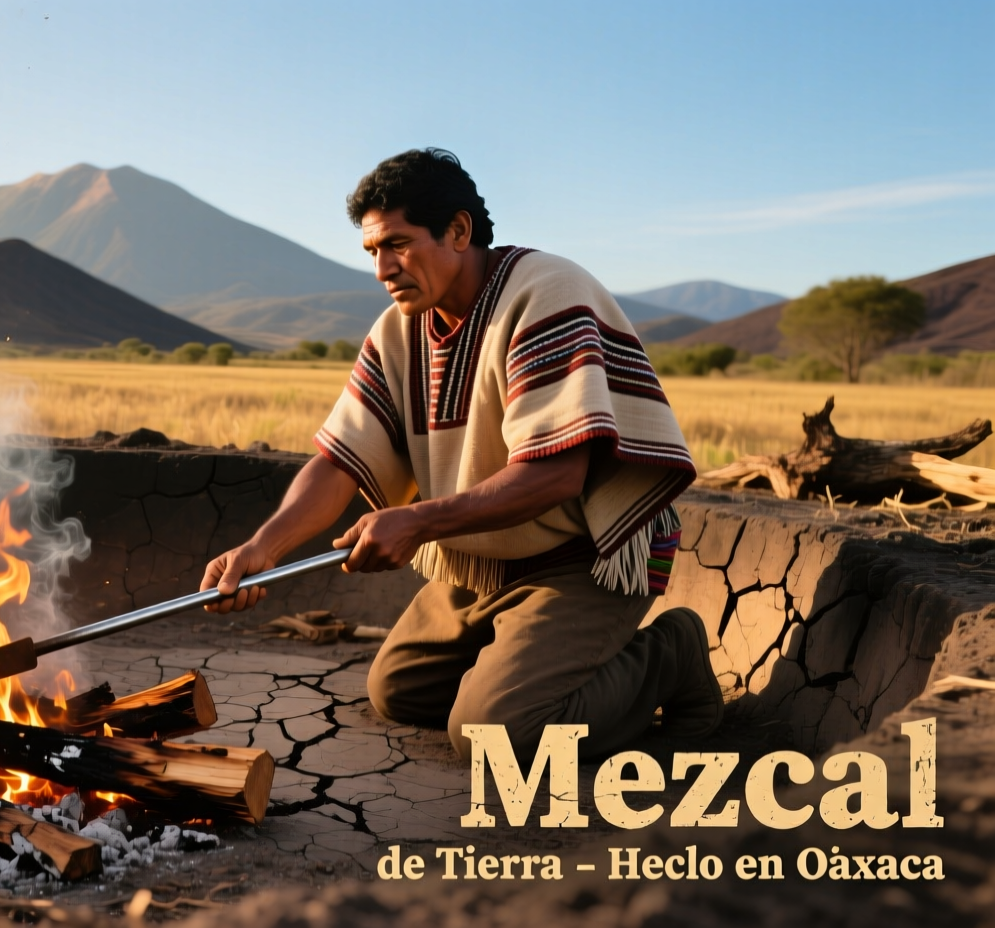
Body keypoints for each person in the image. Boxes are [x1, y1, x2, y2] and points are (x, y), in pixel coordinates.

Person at [198, 148, 722, 761]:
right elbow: (340, 460)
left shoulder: (543, 293)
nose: (382, 269)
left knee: (495, 735)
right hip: (485, 564)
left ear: (458, 230)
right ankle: (518, 655)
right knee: (397, 690)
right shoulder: (398, 329)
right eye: (372, 251)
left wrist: (418, 521)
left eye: (397, 244)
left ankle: (670, 656)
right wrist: (262, 549)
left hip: (585, 557)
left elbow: (557, 473)